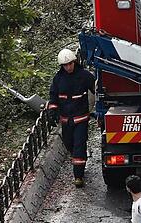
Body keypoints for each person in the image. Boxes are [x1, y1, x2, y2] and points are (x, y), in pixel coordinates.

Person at [47, 48, 94, 188]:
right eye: (65, 65)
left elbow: (96, 89)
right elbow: (53, 96)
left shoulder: (84, 76)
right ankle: (81, 159)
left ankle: (78, 176)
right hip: (66, 120)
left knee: (79, 145)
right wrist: (53, 111)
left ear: (74, 62)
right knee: (70, 145)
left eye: (70, 64)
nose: (68, 67)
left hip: (81, 119)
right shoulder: (58, 79)